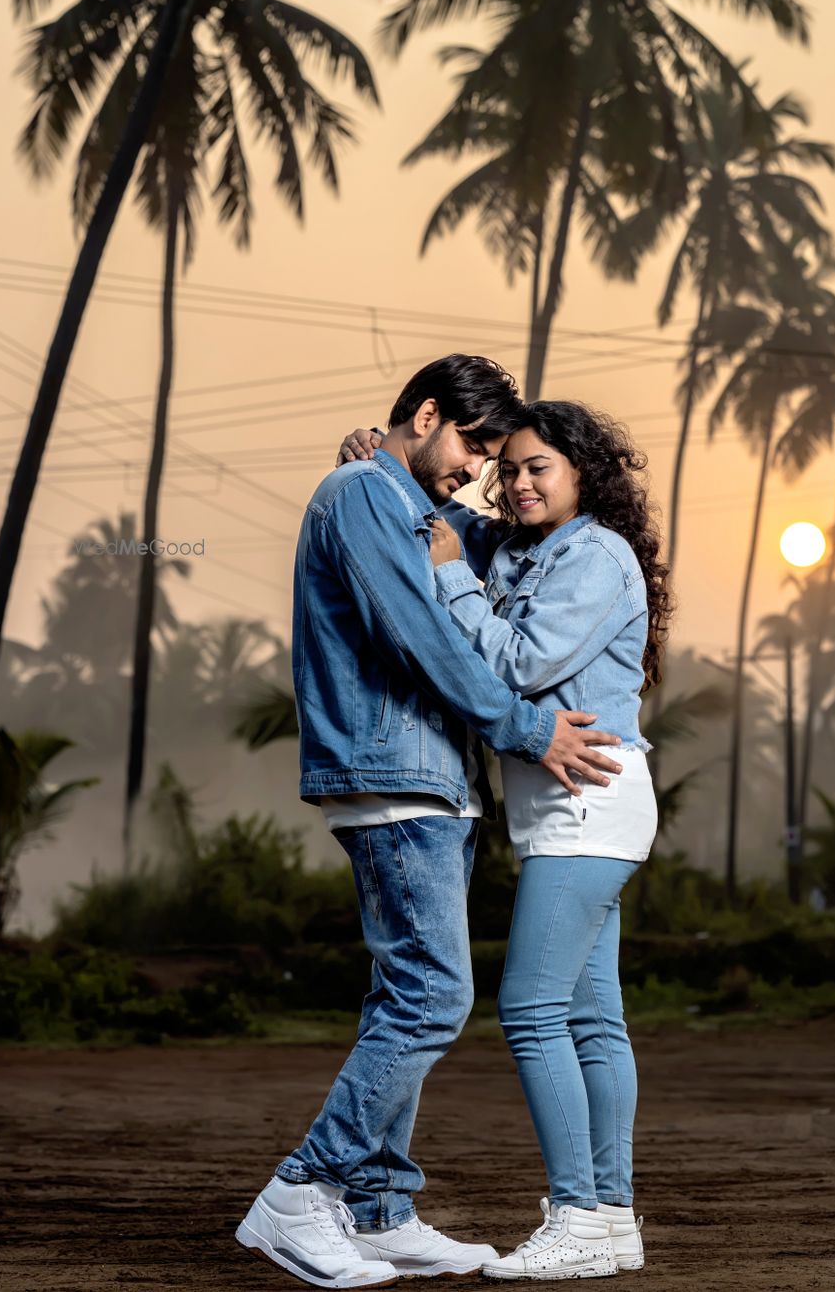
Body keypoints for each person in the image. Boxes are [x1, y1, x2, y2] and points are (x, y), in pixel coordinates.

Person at [237, 357, 624, 1291]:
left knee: (398, 993)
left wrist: (430, 490)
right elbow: (420, 632)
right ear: (423, 415)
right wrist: (529, 728)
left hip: (427, 781)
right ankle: (301, 1193)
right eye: (474, 446)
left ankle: (377, 1211)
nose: (480, 469)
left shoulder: (398, 496)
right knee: (433, 998)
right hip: (392, 774)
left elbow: (473, 545)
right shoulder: (360, 495)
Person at [339, 399, 669, 1281]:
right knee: (594, 1019)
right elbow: (436, 523)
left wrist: (451, 582)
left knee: (529, 1010)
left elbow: (521, 663)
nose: (518, 483)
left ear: (583, 475)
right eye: (509, 468)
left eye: (539, 469)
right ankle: (611, 1218)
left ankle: (577, 1212)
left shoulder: (596, 555)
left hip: (593, 803)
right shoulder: (520, 547)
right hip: (562, 811)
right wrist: (381, 462)